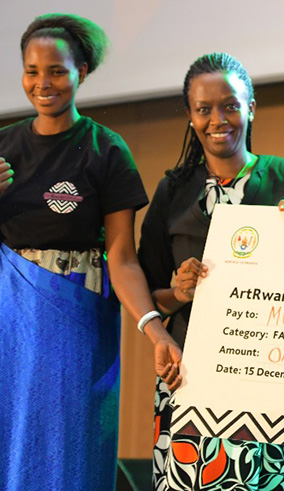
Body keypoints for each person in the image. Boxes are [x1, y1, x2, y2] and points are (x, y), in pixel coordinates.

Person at [0, 13, 181, 490]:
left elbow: (121, 257)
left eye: (56, 71)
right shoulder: (3, 146)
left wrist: (155, 331)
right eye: (32, 71)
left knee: (69, 449)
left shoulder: (106, 150)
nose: (43, 83)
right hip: (8, 324)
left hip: (77, 325)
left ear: (81, 72)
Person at [138, 52, 284, 491]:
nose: (218, 119)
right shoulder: (172, 191)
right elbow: (150, 295)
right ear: (190, 115)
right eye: (204, 109)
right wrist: (179, 293)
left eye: (230, 106)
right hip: (191, 379)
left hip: (273, 376)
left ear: (251, 108)